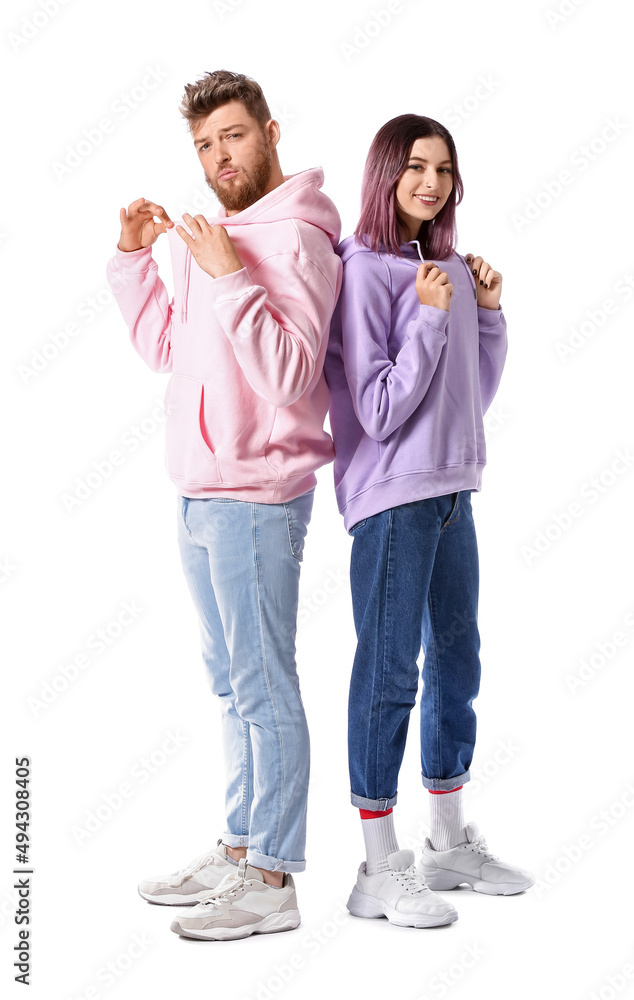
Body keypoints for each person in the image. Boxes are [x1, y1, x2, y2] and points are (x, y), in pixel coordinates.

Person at [106, 69, 341, 941]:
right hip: (199, 491)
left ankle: (274, 880)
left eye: (233, 136)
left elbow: (289, 375)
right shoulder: (223, 234)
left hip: (258, 497)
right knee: (230, 685)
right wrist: (139, 262)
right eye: (204, 144)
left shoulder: (298, 241)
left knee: (265, 685)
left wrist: (231, 273)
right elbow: (171, 347)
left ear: (271, 132)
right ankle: (243, 847)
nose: (217, 156)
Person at [323, 114, 533, 929]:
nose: (431, 182)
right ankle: (378, 866)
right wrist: (426, 317)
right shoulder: (363, 270)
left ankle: (446, 840)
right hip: (391, 501)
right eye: (415, 166)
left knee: (458, 660)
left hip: (453, 493)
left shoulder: (442, 266)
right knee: (389, 672)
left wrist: (486, 315)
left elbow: (468, 399)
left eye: (443, 169)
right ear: (386, 173)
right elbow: (377, 411)